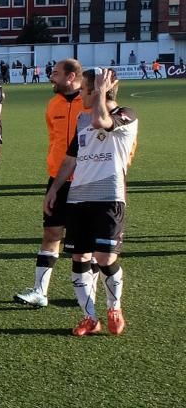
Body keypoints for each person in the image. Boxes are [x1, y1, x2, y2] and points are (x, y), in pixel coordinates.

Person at [44, 68, 137, 336]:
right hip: (78, 198)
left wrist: (99, 92)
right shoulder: (83, 120)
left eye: (85, 90)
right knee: (79, 257)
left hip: (109, 197)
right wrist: (55, 189)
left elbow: (101, 121)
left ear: (98, 90)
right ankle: (89, 317)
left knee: (105, 258)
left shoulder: (127, 115)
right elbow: (72, 157)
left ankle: (114, 307)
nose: (81, 95)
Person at [14, 59, 85, 308]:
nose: (50, 77)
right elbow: (54, 138)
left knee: (86, 241)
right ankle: (39, 292)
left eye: (55, 73)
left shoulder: (89, 103)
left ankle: (88, 294)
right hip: (57, 178)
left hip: (87, 181)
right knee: (51, 233)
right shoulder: (53, 103)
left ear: (71, 76)